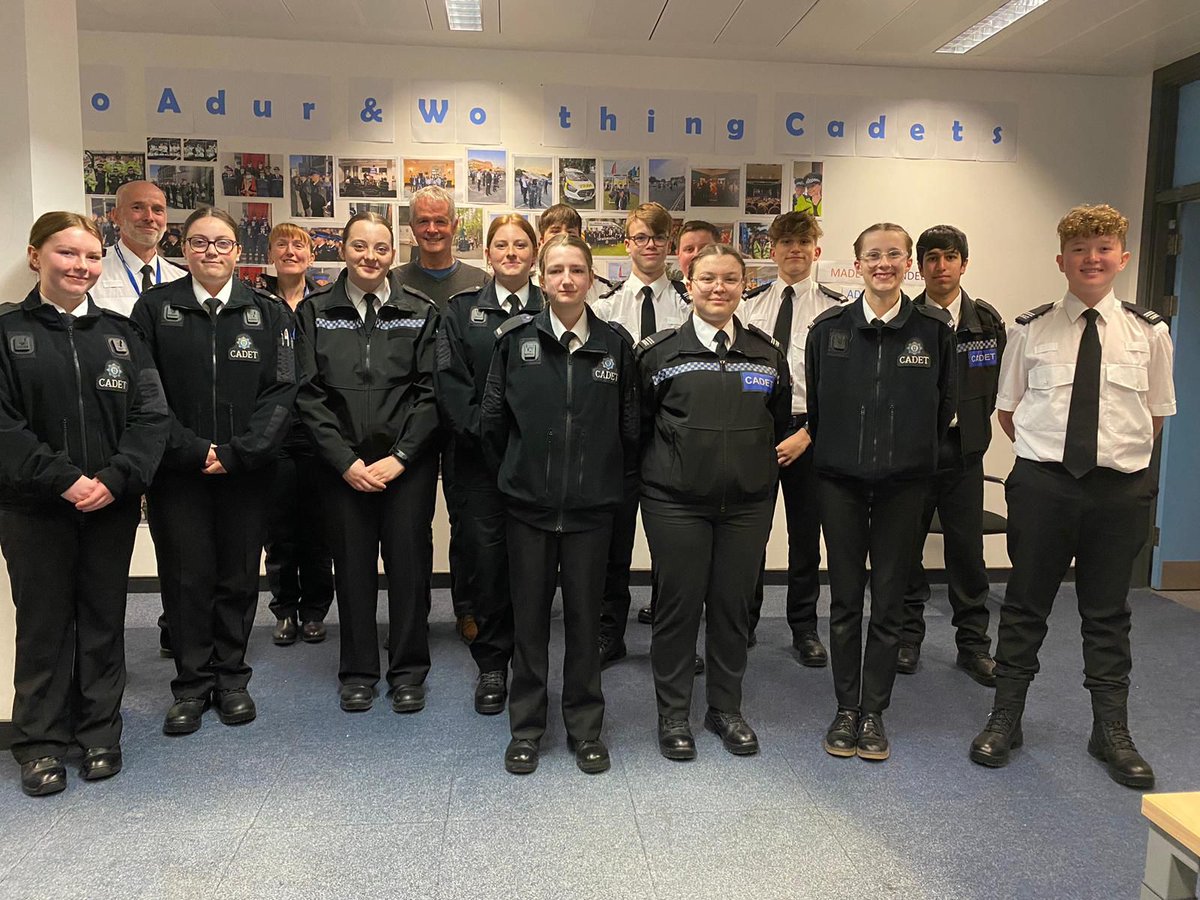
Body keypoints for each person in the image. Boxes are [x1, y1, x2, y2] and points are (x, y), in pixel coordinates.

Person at [969, 205, 1175, 790]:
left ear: (1122, 259)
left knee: (1107, 613)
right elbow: (1008, 411)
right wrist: (1054, 458)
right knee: (1025, 605)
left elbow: (1155, 415)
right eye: (1080, 249)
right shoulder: (1030, 330)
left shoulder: (1149, 331)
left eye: (1103, 247)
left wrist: (1108, 460)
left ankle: (1111, 729)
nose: (1092, 258)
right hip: (1045, 487)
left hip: (1119, 490)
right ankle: (1006, 717)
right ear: (1061, 261)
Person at [0, 212, 168, 796]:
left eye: (92, 256)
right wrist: (65, 479)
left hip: (110, 506)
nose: (81, 266)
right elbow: (5, 428)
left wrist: (117, 478)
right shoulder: (5, 332)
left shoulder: (121, 336)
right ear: (35, 256)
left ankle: (100, 731)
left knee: (103, 619)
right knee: (43, 624)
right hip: (33, 508)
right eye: (67, 254)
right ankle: (41, 743)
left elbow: (152, 417)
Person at [130, 207, 297, 737]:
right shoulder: (154, 309)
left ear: (237, 250)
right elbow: (145, 392)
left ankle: (232, 680)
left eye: (223, 243)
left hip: (246, 473)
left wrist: (240, 452)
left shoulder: (269, 313)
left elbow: (284, 390)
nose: (212, 252)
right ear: (184, 247)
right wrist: (193, 449)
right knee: (185, 578)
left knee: (238, 576)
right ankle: (190, 686)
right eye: (200, 242)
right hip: (178, 474)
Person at [480, 234, 639, 776]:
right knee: (528, 623)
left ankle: (585, 727)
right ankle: (526, 728)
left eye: (576, 269)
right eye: (556, 270)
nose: (566, 279)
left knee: (583, 622)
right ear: (541, 279)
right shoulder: (515, 340)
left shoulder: (616, 346)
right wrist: (523, 475)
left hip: (592, 513)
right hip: (528, 509)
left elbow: (629, 428)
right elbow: (493, 423)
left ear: (591, 278)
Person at [807, 223, 956, 762]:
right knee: (846, 600)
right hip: (840, 485)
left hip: (904, 487)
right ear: (858, 262)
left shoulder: (934, 332)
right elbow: (819, 412)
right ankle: (846, 708)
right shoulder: (829, 330)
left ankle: (875, 712)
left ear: (907, 263)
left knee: (889, 602)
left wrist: (909, 459)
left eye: (895, 254)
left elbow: (943, 411)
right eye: (874, 255)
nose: (884, 263)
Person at [638, 244, 791, 761]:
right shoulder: (659, 353)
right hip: (674, 503)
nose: (718, 288)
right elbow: (637, 426)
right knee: (677, 610)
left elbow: (779, 418)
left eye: (729, 279)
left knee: (731, 610)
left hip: (747, 505)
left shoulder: (766, 353)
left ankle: (725, 709)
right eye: (707, 279)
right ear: (688, 284)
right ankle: (673, 713)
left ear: (744, 285)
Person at [295, 212, 441, 714]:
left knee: (409, 570)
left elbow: (430, 392)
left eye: (380, 248)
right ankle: (357, 671)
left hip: (406, 469)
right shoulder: (315, 312)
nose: (369, 257)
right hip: (343, 470)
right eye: (360, 246)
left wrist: (400, 458)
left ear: (392, 253)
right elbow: (307, 395)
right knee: (352, 571)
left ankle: (407, 671)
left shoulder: (420, 310)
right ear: (343, 248)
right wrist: (344, 462)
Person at [435, 215, 544, 716]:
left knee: (536, 562)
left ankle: (533, 657)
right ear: (487, 252)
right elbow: (452, 387)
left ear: (535, 251)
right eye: (502, 244)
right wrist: (493, 437)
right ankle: (494, 664)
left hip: (539, 462)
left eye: (521, 244)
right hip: (478, 461)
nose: (511, 252)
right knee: (488, 562)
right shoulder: (460, 312)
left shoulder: (556, 306)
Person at [897, 225, 1005, 685]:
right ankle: (907, 637)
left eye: (950, 257)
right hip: (915, 453)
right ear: (918, 266)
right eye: (931, 258)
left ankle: (973, 646)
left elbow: (998, 385)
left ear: (965, 262)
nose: (941, 266)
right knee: (904, 550)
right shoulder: (905, 320)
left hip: (964, 453)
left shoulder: (987, 321)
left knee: (967, 553)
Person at [739, 211, 844, 663]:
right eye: (785, 244)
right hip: (756, 427)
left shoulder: (835, 309)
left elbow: (841, 386)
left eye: (803, 244)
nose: (794, 251)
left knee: (806, 536)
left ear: (816, 251)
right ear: (773, 250)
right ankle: (742, 621)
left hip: (809, 430)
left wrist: (810, 432)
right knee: (748, 534)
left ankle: (803, 627)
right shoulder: (749, 305)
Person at [592, 202, 691, 668]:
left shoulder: (689, 306)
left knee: (675, 551)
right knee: (613, 545)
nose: (649, 246)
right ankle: (608, 632)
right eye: (640, 237)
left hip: (672, 445)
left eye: (658, 238)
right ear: (627, 243)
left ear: (669, 245)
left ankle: (673, 641)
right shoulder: (603, 306)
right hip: (616, 446)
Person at [392, 185, 487, 645]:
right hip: (408, 419)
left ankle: (468, 609)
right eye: (423, 222)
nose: (432, 229)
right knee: (410, 526)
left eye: (440, 221)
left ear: (454, 227)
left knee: (467, 521)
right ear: (412, 229)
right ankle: (414, 616)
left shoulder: (479, 282)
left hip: (461, 421)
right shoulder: (392, 280)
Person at [259, 224, 334, 648]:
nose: (290, 251)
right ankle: (285, 609)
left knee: (318, 529)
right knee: (280, 529)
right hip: (274, 432)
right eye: (282, 244)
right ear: (270, 252)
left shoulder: (324, 303)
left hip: (317, 430)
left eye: (299, 244)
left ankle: (315, 611)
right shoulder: (255, 302)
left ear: (311, 254)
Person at [92, 181, 188, 318]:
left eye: (157, 210)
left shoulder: (182, 279)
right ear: (115, 215)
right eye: (137, 208)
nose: (149, 217)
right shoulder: (92, 272)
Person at [534, 204, 612, 305]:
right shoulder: (528, 286)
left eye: (570, 232)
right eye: (555, 231)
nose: (564, 236)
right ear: (541, 242)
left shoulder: (603, 289)